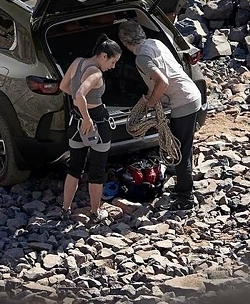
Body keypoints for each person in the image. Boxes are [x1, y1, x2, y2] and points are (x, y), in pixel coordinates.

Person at [118, 18, 202, 212]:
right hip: (190, 95)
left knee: (180, 152)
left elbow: (162, 82)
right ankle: (183, 186)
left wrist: (149, 104)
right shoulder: (155, 43)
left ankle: (186, 198)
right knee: (182, 147)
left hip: (183, 102)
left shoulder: (141, 58)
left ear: (125, 42)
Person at [58, 34, 122, 223]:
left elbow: (64, 86)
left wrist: (80, 106)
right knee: (97, 170)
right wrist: (87, 118)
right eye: (113, 61)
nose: (113, 66)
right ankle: (95, 213)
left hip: (75, 122)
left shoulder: (77, 62)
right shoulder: (96, 73)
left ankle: (65, 209)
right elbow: (80, 94)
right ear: (103, 56)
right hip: (96, 123)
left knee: (74, 168)